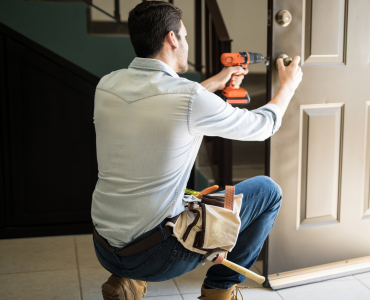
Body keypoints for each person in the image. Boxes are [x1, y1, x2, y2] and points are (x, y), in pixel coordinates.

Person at [91, 1, 302, 300]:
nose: (186, 42)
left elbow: (163, 105)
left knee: (175, 197)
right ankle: (219, 289)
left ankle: (128, 280)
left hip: (105, 248)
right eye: (185, 36)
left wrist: (217, 82)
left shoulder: (107, 86)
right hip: (159, 254)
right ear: (172, 38)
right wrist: (288, 86)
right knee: (268, 191)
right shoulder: (189, 97)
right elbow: (262, 126)